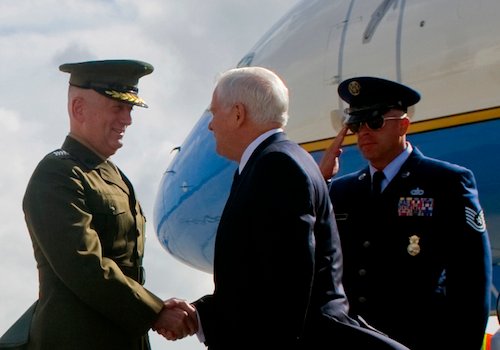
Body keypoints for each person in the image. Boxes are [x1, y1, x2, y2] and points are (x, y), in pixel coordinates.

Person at [156, 67, 410, 350]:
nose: (211, 126)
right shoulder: (269, 162)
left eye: (214, 113)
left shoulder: (276, 167)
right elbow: (255, 281)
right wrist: (201, 315)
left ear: (238, 114)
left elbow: (286, 289)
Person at [21, 59, 197, 350]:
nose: (127, 119)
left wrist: (152, 313)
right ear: (79, 109)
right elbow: (84, 265)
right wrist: (155, 311)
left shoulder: (114, 175)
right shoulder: (57, 173)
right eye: (118, 107)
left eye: (129, 109)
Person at [319, 76, 492, 350]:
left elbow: (472, 281)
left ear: (403, 125)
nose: (364, 133)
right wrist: (320, 182)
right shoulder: (342, 191)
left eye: (374, 122)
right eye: (356, 124)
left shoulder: (445, 183)